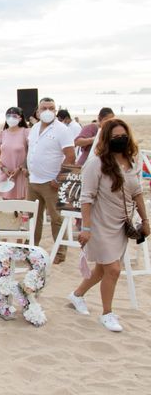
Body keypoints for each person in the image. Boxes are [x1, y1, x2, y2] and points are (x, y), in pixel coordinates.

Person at [68, 119, 149, 331]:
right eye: (115, 138)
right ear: (106, 140)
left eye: (123, 136)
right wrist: (86, 228)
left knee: (101, 270)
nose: (120, 140)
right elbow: (86, 197)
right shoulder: (96, 163)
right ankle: (107, 313)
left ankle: (77, 295)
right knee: (113, 269)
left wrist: (145, 220)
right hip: (99, 224)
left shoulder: (131, 160)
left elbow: (137, 192)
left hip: (120, 224)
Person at [26, 97, 75, 263]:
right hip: (33, 181)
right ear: (38, 111)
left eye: (51, 108)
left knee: (56, 218)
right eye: (44, 108)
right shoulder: (34, 128)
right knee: (33, 217)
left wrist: (59, 178)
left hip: (51, 182)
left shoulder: (62, 130)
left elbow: (70, 156)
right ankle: (31, 248)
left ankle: (60, 253)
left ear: (55, 110)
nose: (47, 111)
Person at [0, 107, 30, 200]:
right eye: (8, 116)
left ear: (20, 118)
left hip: (20, 174)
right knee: (6, 204)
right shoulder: (2, 134)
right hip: (5, 174)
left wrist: (21, 167)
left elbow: (31, 153)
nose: (11, 118)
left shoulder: (26, 132)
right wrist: (3, 168)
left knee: (21, 206)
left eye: (14, 116)